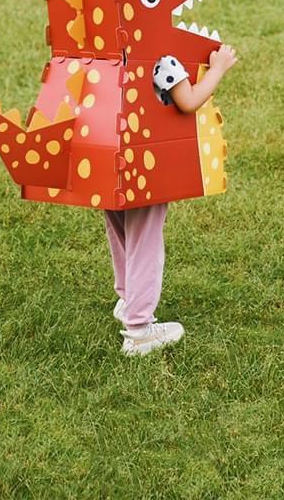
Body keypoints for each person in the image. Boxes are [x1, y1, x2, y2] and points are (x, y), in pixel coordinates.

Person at [107, 43, 238, 355]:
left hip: (109, 160)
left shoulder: (105, 53)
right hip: (145, 165)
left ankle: (128, 300)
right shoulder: (162, 58)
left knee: (121, 232)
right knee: (145, 242)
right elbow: (188, 100)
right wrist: (218, 69)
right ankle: (139, 330)